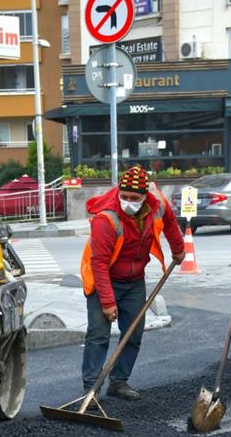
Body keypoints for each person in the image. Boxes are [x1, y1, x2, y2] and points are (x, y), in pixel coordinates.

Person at [79, 166, 185, 400]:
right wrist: (107, 303)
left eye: (134, 198)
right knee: (98, 334)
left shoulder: (158, 206)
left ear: (145, 197)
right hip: (102, 279)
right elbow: (99, 264)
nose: (128, 202)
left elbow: (170, 223)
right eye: (124, 196)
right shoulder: (106, 219)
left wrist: (179, 250)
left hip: (134, 279)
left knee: (133, 332)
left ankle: (118, 382)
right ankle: (90, 389)